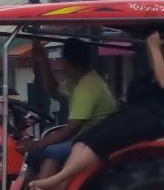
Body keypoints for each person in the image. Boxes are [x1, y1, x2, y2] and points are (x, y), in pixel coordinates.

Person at [31, 25, 164, 190]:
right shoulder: (149, 69)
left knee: (102, 141)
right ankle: (60, 188)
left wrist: (155, 48)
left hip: (158, 118)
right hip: (135, 114)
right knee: (85, 138)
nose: (146, 53)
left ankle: (56, 179)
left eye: (147, 45)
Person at [20, 37, 118, 181]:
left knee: (51, 153)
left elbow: (71, 129)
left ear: (67, 62)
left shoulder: (88, 87)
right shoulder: (76, 82)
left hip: (93, 143)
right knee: (35, 155)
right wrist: (43, 60)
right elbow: (53, 90)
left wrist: (38, 143)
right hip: (83, 139)